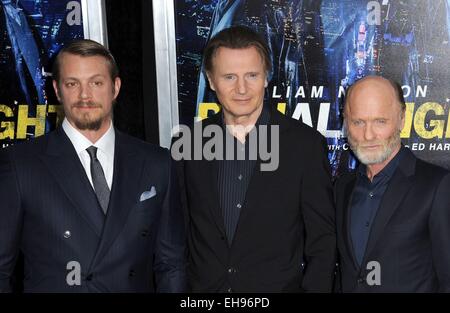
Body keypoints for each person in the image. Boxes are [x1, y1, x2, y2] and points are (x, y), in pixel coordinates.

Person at [0, 39, 187, 292]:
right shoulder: (21, 164)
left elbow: (171, 264)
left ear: (115, 87)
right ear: (57, 89)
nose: (84, 95)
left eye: (96, 83)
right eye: (72, 84)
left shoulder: (156, 162)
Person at [174, 26, 336, 292]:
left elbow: (322, 242)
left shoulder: (304, 146)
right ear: (211, 80)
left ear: (266, 78)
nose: (241, 88)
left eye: (251, 75)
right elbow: (177, 236)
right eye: (229, 77)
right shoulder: (187, 143)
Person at [335, 75, 450, 292]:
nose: (368, 135)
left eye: (380, 121)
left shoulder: (437, 186)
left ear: (402, 119)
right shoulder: (342, 188)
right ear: (345, 122)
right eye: (358, 122)